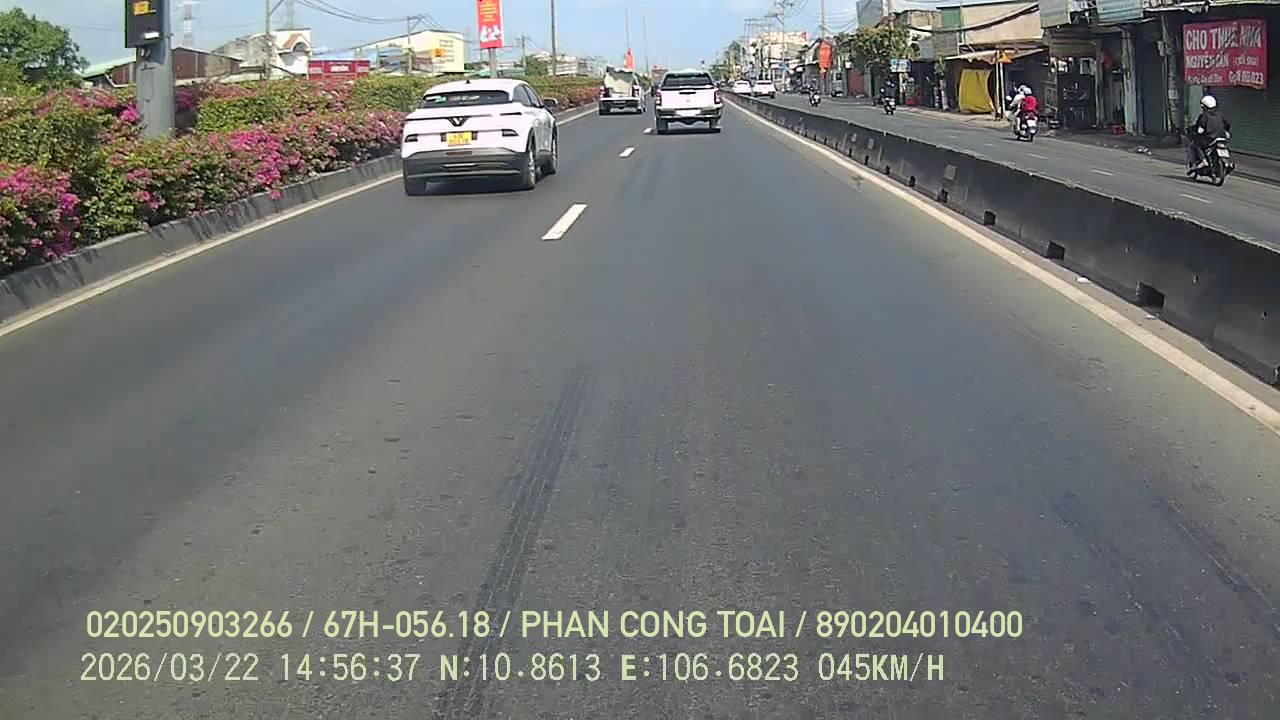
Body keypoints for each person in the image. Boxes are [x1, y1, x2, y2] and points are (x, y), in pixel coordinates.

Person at [1187, 94, 1230, 171]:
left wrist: (1196, 132)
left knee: (1196, 144)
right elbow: (1227, 125)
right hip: (1221, 136)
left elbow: (1200, 129)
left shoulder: (1204, 116)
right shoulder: (1220, 114)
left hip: (1209, 139)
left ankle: (1203, 161)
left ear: (1204, 106)